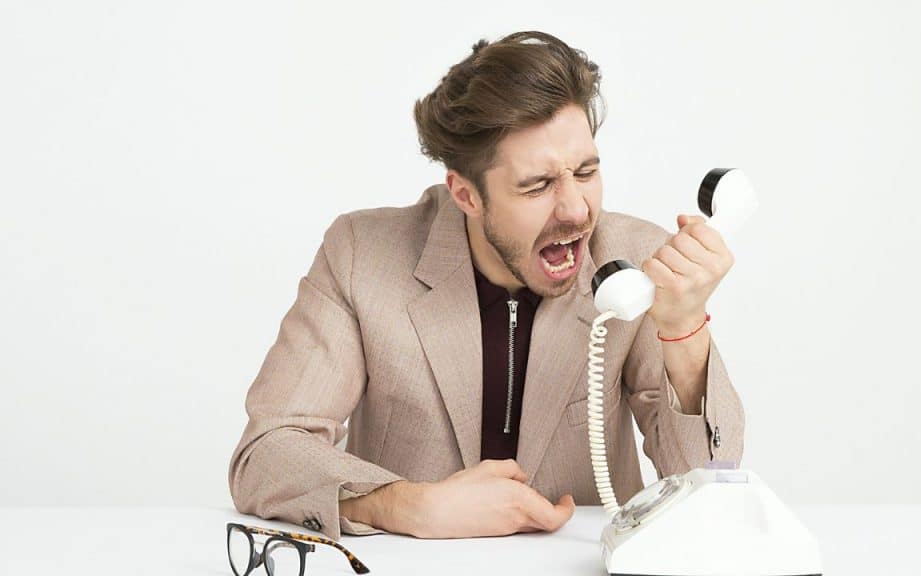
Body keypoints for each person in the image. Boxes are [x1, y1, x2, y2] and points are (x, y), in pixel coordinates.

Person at [228, 30, 744, 542]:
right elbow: (266, 453)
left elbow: (710, 482)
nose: (576, 210)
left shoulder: (634, 260)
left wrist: (684, 331)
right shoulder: (361, 253)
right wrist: (407, 506)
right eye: (537, 185)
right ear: (466, 195)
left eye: (586, 171)